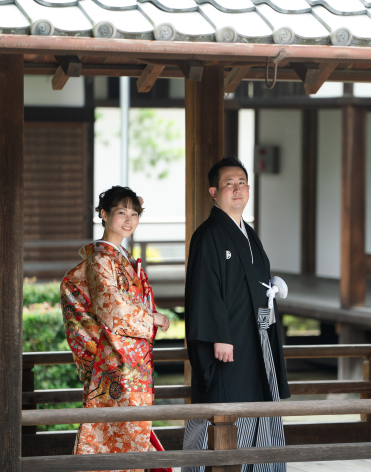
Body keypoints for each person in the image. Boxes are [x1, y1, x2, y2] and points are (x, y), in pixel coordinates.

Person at [182, 157, 290, 472]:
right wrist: (219, 337)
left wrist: (271, 286)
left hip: (256, 338)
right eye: (229, 183)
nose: (237, 189)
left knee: (258, 402)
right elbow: (206, 288)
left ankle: (259, 466)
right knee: (225, 407)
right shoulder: (209, 234)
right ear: (214, 192)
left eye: (242, 182)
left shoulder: (247, 232)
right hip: (228, 344)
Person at [61, 185, 171, 472]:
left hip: (131, 358)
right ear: (104, 214)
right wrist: (153, 319)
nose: (128, 219)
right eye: (121, 212)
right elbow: (112, 308)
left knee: (128, 430)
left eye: (134, 214)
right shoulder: (100, 259)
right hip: (113, 361)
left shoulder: (120, 257)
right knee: (113, 433)